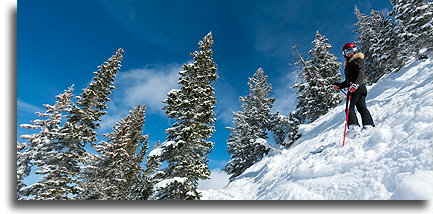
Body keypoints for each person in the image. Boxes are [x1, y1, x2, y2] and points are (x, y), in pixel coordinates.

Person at [333, 43, 374, 136]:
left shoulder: (356, 60)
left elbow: (361, 73)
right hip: (359, 87)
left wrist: (355, 84)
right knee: (361, 107)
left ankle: (353, 127)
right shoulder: (350, 63)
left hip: (356, 87)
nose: (349, 53)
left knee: (349, 107)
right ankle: (368, 126)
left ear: (355, 50)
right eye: (346, 52)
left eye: (350, 51)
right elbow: (348, 81)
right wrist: (339, 85)